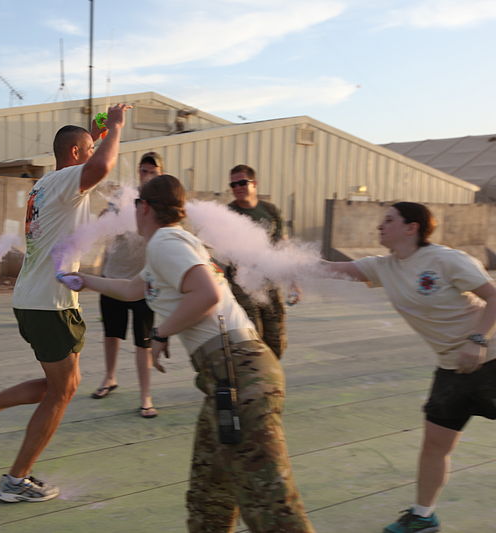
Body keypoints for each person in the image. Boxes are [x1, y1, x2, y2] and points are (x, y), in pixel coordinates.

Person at [63, 174, 315, 532]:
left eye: (135, 204)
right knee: (208, 499)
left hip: (239, 375)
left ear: (145, 207)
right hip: (229, 380)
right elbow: (135, 289)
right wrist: (85, 281)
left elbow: (207, 295)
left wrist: (160, 332)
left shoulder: (166, 242)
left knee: (272, 509)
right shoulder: (172, 244)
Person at [0, 104, 130, 503]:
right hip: (49, 302)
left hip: (36, 298)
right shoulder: (70, 179)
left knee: (62, 385)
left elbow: (87, 151)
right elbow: (99, 166)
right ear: (73, 155)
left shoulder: (46, 184)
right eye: (86, 149)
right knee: (63, 390)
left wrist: (97, 131)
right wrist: (116, 127)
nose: (93, 152)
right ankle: (15, 478)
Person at [323, 201, 496, 533]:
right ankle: (423, 516)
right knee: (435, 444)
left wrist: (478, 339)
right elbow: (330, 268)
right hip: (452, 370)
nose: (380, 226)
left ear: (411, 227)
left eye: (388, 220)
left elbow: (494, 296)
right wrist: (273, 261)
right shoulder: (383, 267)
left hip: (491, 360)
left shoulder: (446, 260)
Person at [91, 151, 162, 418]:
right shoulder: (123, 198)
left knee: (143, 342)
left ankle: (146, 396)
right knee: (112, 333)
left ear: (160, 175)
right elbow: (101, 226)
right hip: (113, 277)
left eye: (153, 172)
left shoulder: (161, 205)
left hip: (144, 283)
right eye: (144, 170)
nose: (147, 175)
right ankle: (109, 377)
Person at [224, 164, 297, 359]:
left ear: (254, 184)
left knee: (276, 339)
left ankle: (270, 379)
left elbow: (283, 246)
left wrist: (293, 280)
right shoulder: (228, 213)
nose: (237, 188)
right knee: (252, 334)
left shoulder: (270, 210)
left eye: (242, 182)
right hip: (242, 283)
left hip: (270, 280)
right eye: (233, 185)